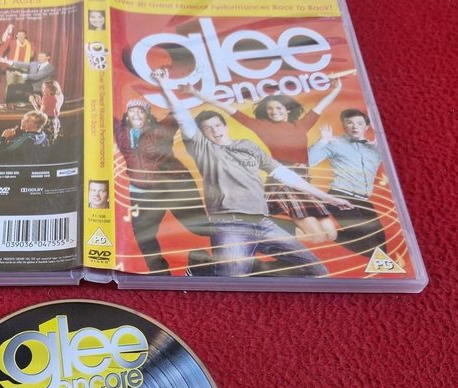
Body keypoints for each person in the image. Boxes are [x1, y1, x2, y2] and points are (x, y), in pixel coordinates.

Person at [160, 77, 353, 277]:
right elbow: (183, 118)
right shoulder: (204, 149)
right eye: (207, 129)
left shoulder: (248, 146)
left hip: (263, 222)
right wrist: (165, 84)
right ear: (202, 134)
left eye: (217, 125)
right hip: (230, 224)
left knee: (317, 271)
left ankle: (249, 269)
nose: (214, 131)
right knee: (230, 280)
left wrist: (329, 198)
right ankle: (205, 268)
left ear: (225, 126)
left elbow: (286, 175)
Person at [192, 80, 344, 242]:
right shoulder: (261, 126)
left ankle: (262, 226)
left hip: (304, 181)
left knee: (331, 235)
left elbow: (320, 106)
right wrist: (196, 93)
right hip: (284, 183)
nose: (274, 111)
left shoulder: (301, 125)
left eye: (278, 108)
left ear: (287, 109)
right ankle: (258, 227)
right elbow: (227, 108)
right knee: (317, 237)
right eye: (270, 108)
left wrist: (337, 89)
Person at [113, 94, 211, 274]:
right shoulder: (121, 132)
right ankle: (160, 274)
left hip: (172, 185)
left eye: (141, 111)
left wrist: (172, 89)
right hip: (142, 192)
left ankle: (225, 254)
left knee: (200, 227)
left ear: (148, 115)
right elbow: (103, 112)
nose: (136, 115)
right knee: (143, 236)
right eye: (132, 111)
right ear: (127, 115)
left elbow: (177, 113)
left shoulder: (160, 129)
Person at [308, 109, 386, 256]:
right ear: (344, 126)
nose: (355, 126)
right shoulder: (334, 143)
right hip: (341, 196)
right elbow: (309, 161)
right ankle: (328, 233)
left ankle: (329, 233)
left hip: (364, 200)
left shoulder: (375, 149)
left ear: (366, 127)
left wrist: (382, 139)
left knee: (380, 243)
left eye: (359, 123)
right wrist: (323, 141)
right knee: (367, 240)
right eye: (350, 123)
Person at [30, 80, 63, 144]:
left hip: (47, 123)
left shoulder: (46, 98)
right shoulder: (58, 96)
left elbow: (40, 113)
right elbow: (50, 106)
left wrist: (33, 102)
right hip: (55, 121)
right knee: (54, 142)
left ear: (50, 88)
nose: (43, 89)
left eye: (44, 87)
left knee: (45, 142)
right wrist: (40, 102)